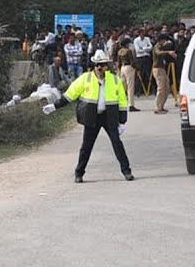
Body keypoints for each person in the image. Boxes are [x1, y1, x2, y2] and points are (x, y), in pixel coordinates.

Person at [42, 49, 134, 183]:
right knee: (86, 147)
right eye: (97, 65)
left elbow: (122, 100)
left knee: (117, 144)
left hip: (109, 117)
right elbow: (70, 95)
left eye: (102, 65)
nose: (99, 68)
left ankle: (127, 171)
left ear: (106, 66)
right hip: (92, 117)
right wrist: (54, 106)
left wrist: (122, 121)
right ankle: (79, 173)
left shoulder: (115, 80)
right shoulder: (86, 78)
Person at [151, 35, 177, 113]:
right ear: (160, 41)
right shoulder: (157, 47)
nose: (165, 42)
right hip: (158, 69)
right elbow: (158, 53)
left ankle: (161, 106)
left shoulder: (162, 47)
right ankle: (158, 107)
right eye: (164, 41)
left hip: (162, 69)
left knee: (166, 88)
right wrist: (168, 52)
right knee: (161, 88)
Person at [116, 38, 141, 111]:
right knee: (130, 87)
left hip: (122, 68)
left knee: (122, 87)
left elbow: (119, 62)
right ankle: (131, 105)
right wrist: (137, 68)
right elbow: (132, 61)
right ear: (126, 44)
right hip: (129, 67)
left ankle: (120, 103)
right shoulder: (128, 51)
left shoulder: (119, 51)